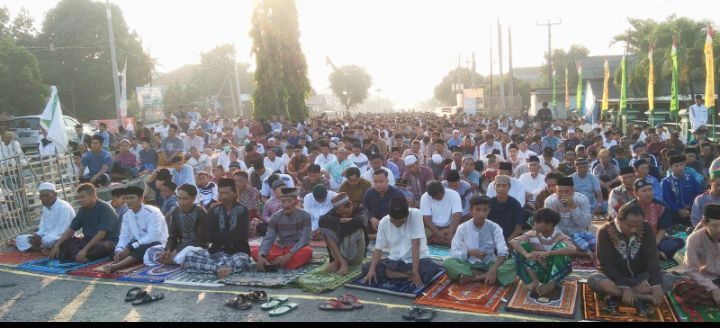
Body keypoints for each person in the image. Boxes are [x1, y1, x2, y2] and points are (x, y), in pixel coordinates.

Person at [588, 203, 667, 311]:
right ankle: (643, 297)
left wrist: (657, 285)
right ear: (619, 220)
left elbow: (651, 257)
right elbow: (606, 264)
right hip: (614, 278)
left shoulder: (646, 228)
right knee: (593, 280)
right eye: (630, 226)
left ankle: (616, 294)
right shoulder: (604, 232)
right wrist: (623, 286)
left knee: (669, 279)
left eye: (638, 226)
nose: (634, 230)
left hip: (640, 278)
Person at [361, 196, 441, 288]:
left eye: (401, 222)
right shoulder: (384, 222)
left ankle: (393, 274)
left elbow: (416, 245)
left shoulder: (416, 214)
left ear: (407, 216)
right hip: (396, 262)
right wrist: (372, 269)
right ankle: (406, 275)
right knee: (366, 269)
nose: (397, 224)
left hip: (419, 260)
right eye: (394, 221)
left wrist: (415, 271)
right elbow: (378, 249)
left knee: (430, 270)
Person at [185, 179, 252, 279]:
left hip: (237, 252)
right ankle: (222, 269)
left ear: (234, 193)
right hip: (217, 252)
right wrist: (228, 235)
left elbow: (242, 235)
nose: (223, 196)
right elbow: (209, 236)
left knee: (241, 260)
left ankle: (220, 268)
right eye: (221, 193)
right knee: (191, 255)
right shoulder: (214, 211)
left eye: (226, 193)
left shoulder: (242, 210)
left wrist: (220, 236)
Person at [444, 196, 515, 286]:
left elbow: (503, 252)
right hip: (469, 264)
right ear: (471, 211)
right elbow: (453, 252)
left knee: (514, 263)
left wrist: (493, 269)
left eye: (485, 210)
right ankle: (487, 276)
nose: (481, 213)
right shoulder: (462, 228)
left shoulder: (494, 227)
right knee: (448, 263)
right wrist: (469, 252)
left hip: (489, 264)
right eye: (477, 210)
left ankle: (475, 277)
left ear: (489, 211)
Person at [510, 208, 576, 297]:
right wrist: (527, 254)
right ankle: (533, 281)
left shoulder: (560, 237)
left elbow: (572, 250)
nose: (534, 224)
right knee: (519, 248)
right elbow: (513, 241)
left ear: (549, 226)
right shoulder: (531, 234)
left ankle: (552, 283)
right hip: (536, 269)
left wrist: (549, 253)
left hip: (552, 270)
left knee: (563, 249)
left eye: (538, 222)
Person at [48, 184, 120, 263]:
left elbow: (101, 234)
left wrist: (84, 250)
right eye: (78, 198)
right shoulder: (83, 209)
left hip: (106, 241)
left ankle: (83, 256)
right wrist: (57, 245)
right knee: (61, 243)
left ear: (93, 196)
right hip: (88, 240)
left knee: (103, 247)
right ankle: (78, 255)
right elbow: (71, 229)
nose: (79, 200)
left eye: (82, 197)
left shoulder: (106, 209)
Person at [104, 186, 168, 273]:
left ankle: (116, 266)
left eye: (132, 198)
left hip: (158, 242)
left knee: (140, 249)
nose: (128, 201)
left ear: (141, 198)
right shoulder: (127, 215)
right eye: (126, 198)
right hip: (139, 242)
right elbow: (124, 235)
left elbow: (153, 236)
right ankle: (124, 259)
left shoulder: (153, 212)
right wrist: (119, 249)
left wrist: (131, 247)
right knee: (116, 252)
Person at [252, 188, 314, 270]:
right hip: (280, 248)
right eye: (283, 201)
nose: (286, 205)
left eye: (289, 201)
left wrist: (289, 254)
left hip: (298, 248)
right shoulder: (275, 217)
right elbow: (269, 237)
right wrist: (261, 255)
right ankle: (281, 263)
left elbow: (305, 239)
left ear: (296, 202)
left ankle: (276, 263)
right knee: (255, 252)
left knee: (308, 251)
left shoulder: (305, 215)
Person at [672, 204, 720, 307]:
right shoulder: (694, 239)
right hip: (707, 279)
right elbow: (691, 270)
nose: (719, 230)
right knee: (681, 288)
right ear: (704, 223)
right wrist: (713, 288)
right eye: (715, 225)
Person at [153, 184, 208, 266]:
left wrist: (177, 250)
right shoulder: (175, 212)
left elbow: (199, 239)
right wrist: (168, 249)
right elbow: (173, 235)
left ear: (193, 198)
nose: (181, 202)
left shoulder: (200, 212)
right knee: (158, 255)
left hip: (197, 247)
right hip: (181, 246)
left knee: (179, 257)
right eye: (179, 198)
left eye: (185, 199)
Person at [631, 178, 685, 260]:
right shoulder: (629, 209)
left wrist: (653, 246)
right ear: (635, 194)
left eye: (650, 189)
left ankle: (653, 253)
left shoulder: (661, 206)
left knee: (679, 242)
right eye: (644, 191)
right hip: (635, 242)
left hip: (656, 240)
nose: (648, 193)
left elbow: (662, 229)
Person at [15, 183, 75, 254]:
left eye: (47, 195)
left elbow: (61, 230)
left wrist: (41, 239)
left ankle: (43, 248)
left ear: (55, 194)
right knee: (20, 238)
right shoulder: (45, 207)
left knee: (48, 240)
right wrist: (38, 235)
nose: (44, 198)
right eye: (41, 196)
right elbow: (43, 226)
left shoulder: (64, 207)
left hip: (62, 236)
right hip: (47, 235)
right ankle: (42, 249)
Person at [544, 177, 595, 261]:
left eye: (567, 191)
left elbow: (585, 224)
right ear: (556, 190)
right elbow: (552, 227)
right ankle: (579, 252)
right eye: (559, 191)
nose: (563, 194)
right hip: (559, 236)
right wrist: (566, 240)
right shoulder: (549, 202)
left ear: (573, 190)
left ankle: (576, 251)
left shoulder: (582, 200)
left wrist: (573, 207)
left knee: (595, 243)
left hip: (579, 234)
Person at [319, 193, 369, 276]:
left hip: (356, 255)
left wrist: (336, 225)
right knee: (326, 230)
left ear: (350, 205)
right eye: (340, 214)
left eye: (344, 213)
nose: (342, 215)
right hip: (338, 254)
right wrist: (340, 220)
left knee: (354, 229)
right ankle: (342, 262)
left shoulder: (361, 211)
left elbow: (359, 222)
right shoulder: (337, 212)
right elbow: (321, 220)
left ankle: (338, 261)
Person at [362, 170, 404, 239]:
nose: (378, 184)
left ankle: (377, 236)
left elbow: (401, 214)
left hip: (392, 222)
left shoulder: (397, 194)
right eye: (375, 182)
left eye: (381, 181)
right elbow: (364, 208)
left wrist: (386, 223)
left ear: (387, 181)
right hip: (375, 223)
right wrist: (371, 218)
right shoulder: (369, 192)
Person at [662, 155, 703, 226]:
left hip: (693, 209)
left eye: (681, 165)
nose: (680, 168)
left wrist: (691, 205)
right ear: (671, 168)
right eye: (676, 166)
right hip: (675, 212)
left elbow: (698, 193)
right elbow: (667, 199)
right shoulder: (666, 182)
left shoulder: (690, 178)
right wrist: (678, 210)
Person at [420, 181, 463, 246]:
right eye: (433, 197)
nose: (435, 198)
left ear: (443, 191)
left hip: (450, 227)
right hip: (432, 229)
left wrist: (450, 231)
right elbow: (427, 220)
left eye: (438, 196)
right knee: (420, 239)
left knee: (458, 239)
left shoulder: (454, 194)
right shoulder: (425, 197)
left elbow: (457, 215)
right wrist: (438, 234)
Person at [489, 175, 525, 243]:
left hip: (510, 239)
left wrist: (506, 242)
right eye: (498, 186)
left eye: (504, 186)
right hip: (492, 238)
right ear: (494, 187)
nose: (501, 189)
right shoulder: (489, 203)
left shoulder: (515, 204)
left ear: (509, 187)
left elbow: (518, 229)